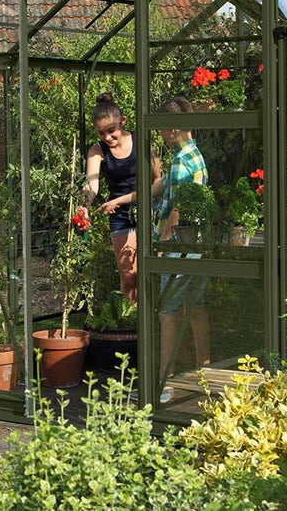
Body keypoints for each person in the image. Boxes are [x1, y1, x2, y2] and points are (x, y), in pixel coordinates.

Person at [84, 92, 161, 304]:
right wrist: (85, 207)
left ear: (122, 122)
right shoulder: (97, 151)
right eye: (101, 133)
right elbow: (92, 184)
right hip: (120, 215)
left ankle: (156, 320)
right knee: (128, 277)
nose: (108, 137)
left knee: (154, 273)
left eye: (111, 131)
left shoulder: (142, 141)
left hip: (149, 209)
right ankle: (133, 324)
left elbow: (158, 181)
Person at [155, 96, 210, 384]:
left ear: (173, 127)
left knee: (167, 312)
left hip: (177, 247)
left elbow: (177, 209)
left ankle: (165, 381)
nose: (162, 135)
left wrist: (162, 246)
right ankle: (205, 370)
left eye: (163, 128)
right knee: (196, 307)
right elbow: (165, 188)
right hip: (196, 244)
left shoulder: (179, 161)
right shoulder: (196, 156)